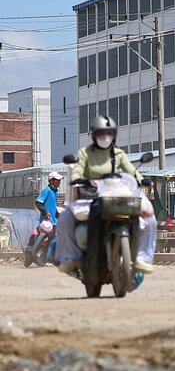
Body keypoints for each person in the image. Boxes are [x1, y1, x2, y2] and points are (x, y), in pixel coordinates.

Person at [53, 116, 157, 277]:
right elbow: (78, 170)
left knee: (150, 219)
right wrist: (78, 179)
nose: (105, 137)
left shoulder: (118, 153)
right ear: (94, 135)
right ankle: (70, 257)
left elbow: (131, 170)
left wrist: (142, 180)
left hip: (117, 194)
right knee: (65, 217)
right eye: (102, 133)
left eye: (109, 133)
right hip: (92, 196)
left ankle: (142, 258)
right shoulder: (85, 153)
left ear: (114, 135)